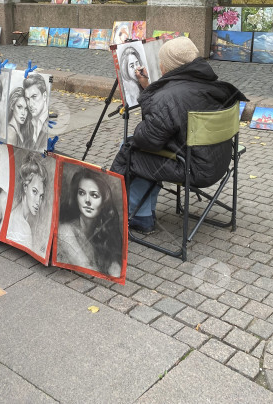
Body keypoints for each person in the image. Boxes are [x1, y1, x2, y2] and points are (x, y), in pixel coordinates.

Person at [111, 36, 247, 234]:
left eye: (161, 62)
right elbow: (176, 105)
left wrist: (149, 107)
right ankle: (142, 211)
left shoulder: (168, 97)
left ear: (166, 67)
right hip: (220, 161)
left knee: (131, 148)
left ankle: (137, 216)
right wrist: (149, 88)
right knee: (147, 148)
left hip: (193, 168)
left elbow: (147, 139)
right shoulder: (215, 86)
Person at [56, 168, 122, 277]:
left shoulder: (104, 230)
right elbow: (86, 269)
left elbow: (115, 268)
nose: (87, 200)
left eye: (94, 195)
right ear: (76, 197)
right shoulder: (65, 231)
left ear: (104, 201)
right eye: (81, 193)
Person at [6, 152, 48, 250]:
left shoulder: (17, 213)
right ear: (25, 187)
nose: (38, 201)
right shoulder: (24, 228)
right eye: (34, 191)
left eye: (41, 196)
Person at [23, 74, 49, 151]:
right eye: (27, 99)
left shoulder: (50, 123)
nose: (30, 104)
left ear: (44, 96)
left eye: (34, 97)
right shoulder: (28, 123)